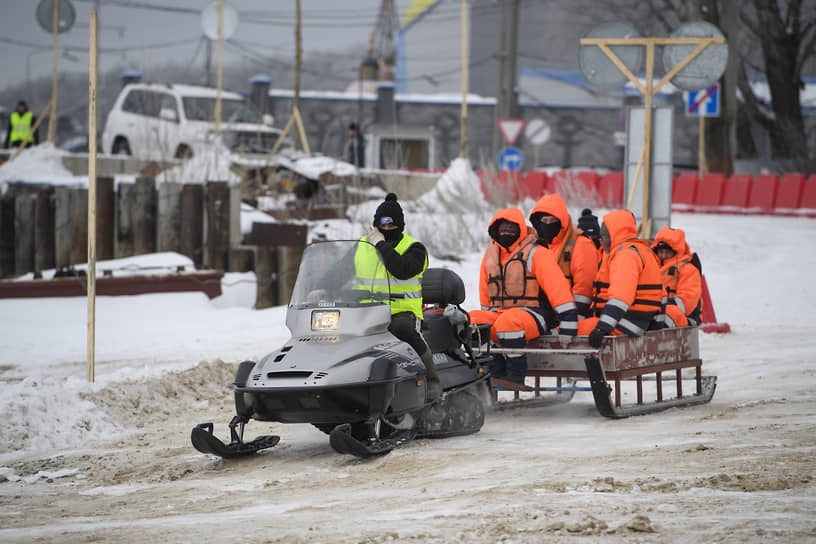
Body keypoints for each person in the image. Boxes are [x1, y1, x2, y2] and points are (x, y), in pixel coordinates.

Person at [469, 206, 578, 383]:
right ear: (494, 231)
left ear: (520, 229)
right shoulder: (490, 256)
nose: (506, 233)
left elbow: (558, 289)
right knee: (473, 320)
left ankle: (515, 375)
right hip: (501, 314)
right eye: (502, 230)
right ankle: (494, 370)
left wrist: (568, 324)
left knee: (509, 322)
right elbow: (485, 295)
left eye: (511, 229)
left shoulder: (537, 252)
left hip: (536, 314)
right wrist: (489, 329)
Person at [360, 193, 441, 400]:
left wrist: (380, 244)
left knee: (401, 329)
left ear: (400, 226)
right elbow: (340, 271)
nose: (387, 231)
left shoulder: (415, 249)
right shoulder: (361, 246)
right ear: (376, 225)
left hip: (401, 312)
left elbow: (401, 269)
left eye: (391, 226)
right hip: (364, 311)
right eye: (382, 226)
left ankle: (432, 379)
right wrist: (322, 288)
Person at [578, 210, 664, 348]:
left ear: (612, 236)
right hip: (641, 322)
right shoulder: (643, 251)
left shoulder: (625, 256)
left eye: (603, 237)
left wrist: (601, 328)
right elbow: (662, 295)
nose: (600, 242)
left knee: (570, 331)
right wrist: (657, 327)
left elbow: (621, 298)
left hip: (627, 324)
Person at [528, 195, 599, 320]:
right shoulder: (535, 246)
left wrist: (572, 319)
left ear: (562, 221)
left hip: (570, 315)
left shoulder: (581, 244)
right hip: (541, 313)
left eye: (553, 220)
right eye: (545, 221)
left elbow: (584, 287)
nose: (548, 225)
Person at [651, 226, 702, 328]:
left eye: (667, 252)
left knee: (663, 319)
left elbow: (685, 303)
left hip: (685, 317)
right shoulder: (651, 266)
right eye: (661, 252)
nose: (663, 255)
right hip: (659, 310)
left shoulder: (688, 270)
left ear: (676, 252)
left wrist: (658, 307)